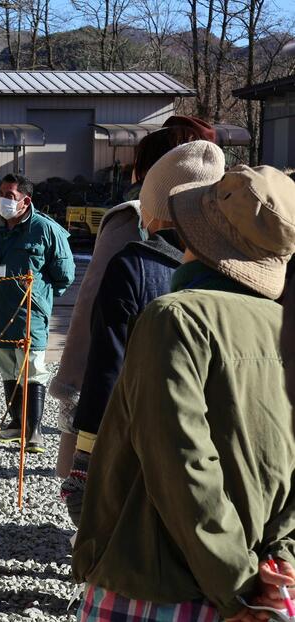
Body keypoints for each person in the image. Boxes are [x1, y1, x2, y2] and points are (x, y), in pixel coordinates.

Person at [72, 165, 295, 621]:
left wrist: (236, 584)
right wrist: (279, 562)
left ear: (199, 236)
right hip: (260, 579)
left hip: (158, 588)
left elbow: (181, 459)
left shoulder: (175, 319)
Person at [60, 141, 225, 527]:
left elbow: (107, 364)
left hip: (133, 434)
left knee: (114, 531)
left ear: (153, 207)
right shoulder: (230, 272)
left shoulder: (132, 266)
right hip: (205, 443)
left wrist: (84, 455)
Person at [0, 173, 74, 453]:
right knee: (8, 370)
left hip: (29, 316)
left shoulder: (45, 229)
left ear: (25, 200)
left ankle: (34, 431)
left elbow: (63, 276)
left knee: (32, 370)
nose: (3, 200)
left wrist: (40, 300)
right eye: (1, 194)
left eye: (10, 196)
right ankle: (16, 424)